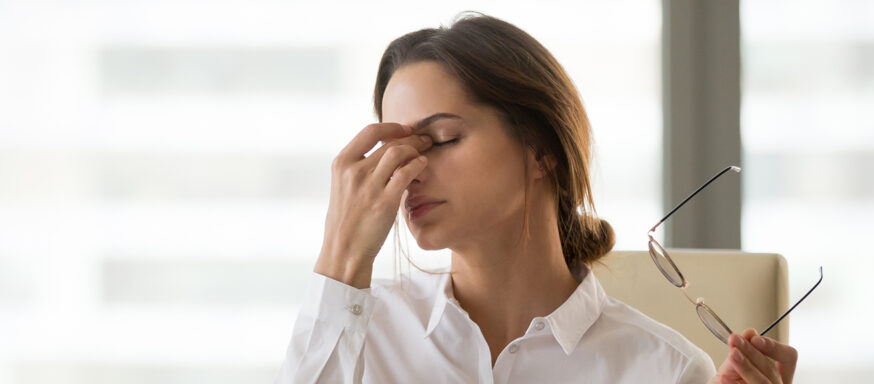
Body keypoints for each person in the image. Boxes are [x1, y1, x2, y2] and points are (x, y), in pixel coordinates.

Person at [276, 13, 798, 384]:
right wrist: (340, 262)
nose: (408, 172)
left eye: (440, 141)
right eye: (398, 150)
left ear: (540, 150)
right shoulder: (357, 335)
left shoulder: (666, 368)